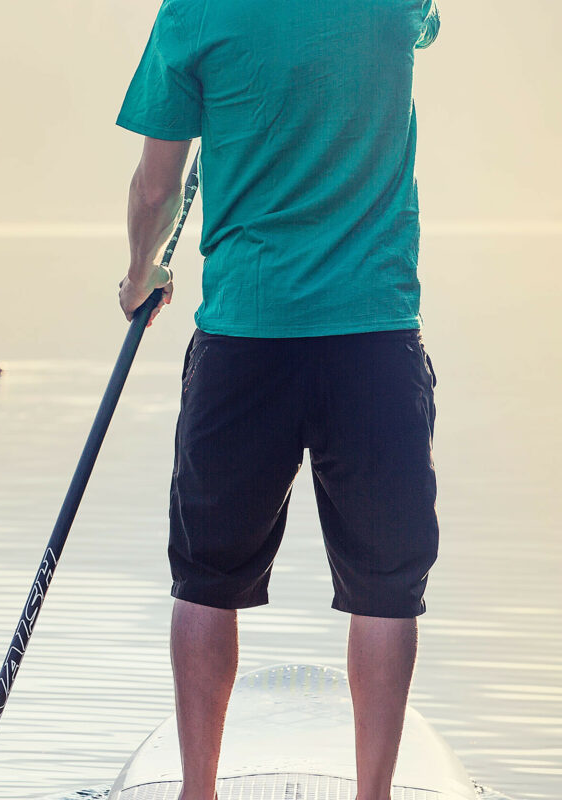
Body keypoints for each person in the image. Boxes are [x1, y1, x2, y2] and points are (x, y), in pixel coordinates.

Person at [115, 3, 441, 800]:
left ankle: (200, 792)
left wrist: (139, 276)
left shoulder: (192, 12)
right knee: (387, 585)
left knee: (204, 578)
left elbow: (158, 186)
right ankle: (375, 795)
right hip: (373, 336)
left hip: (245, 339)